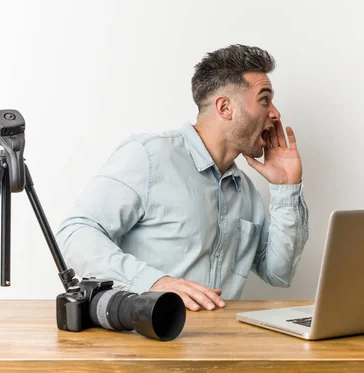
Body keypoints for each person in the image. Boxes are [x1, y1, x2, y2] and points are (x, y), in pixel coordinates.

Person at [56, 44, 309, 311]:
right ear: (225, 107)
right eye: (264, 99)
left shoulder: (244, 190)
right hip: (148, 343)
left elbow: (279, 274)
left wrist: (287, 188)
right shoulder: (149, 157)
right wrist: (154, 282)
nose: (275, 113)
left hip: (220, 346)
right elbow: (75, 233)